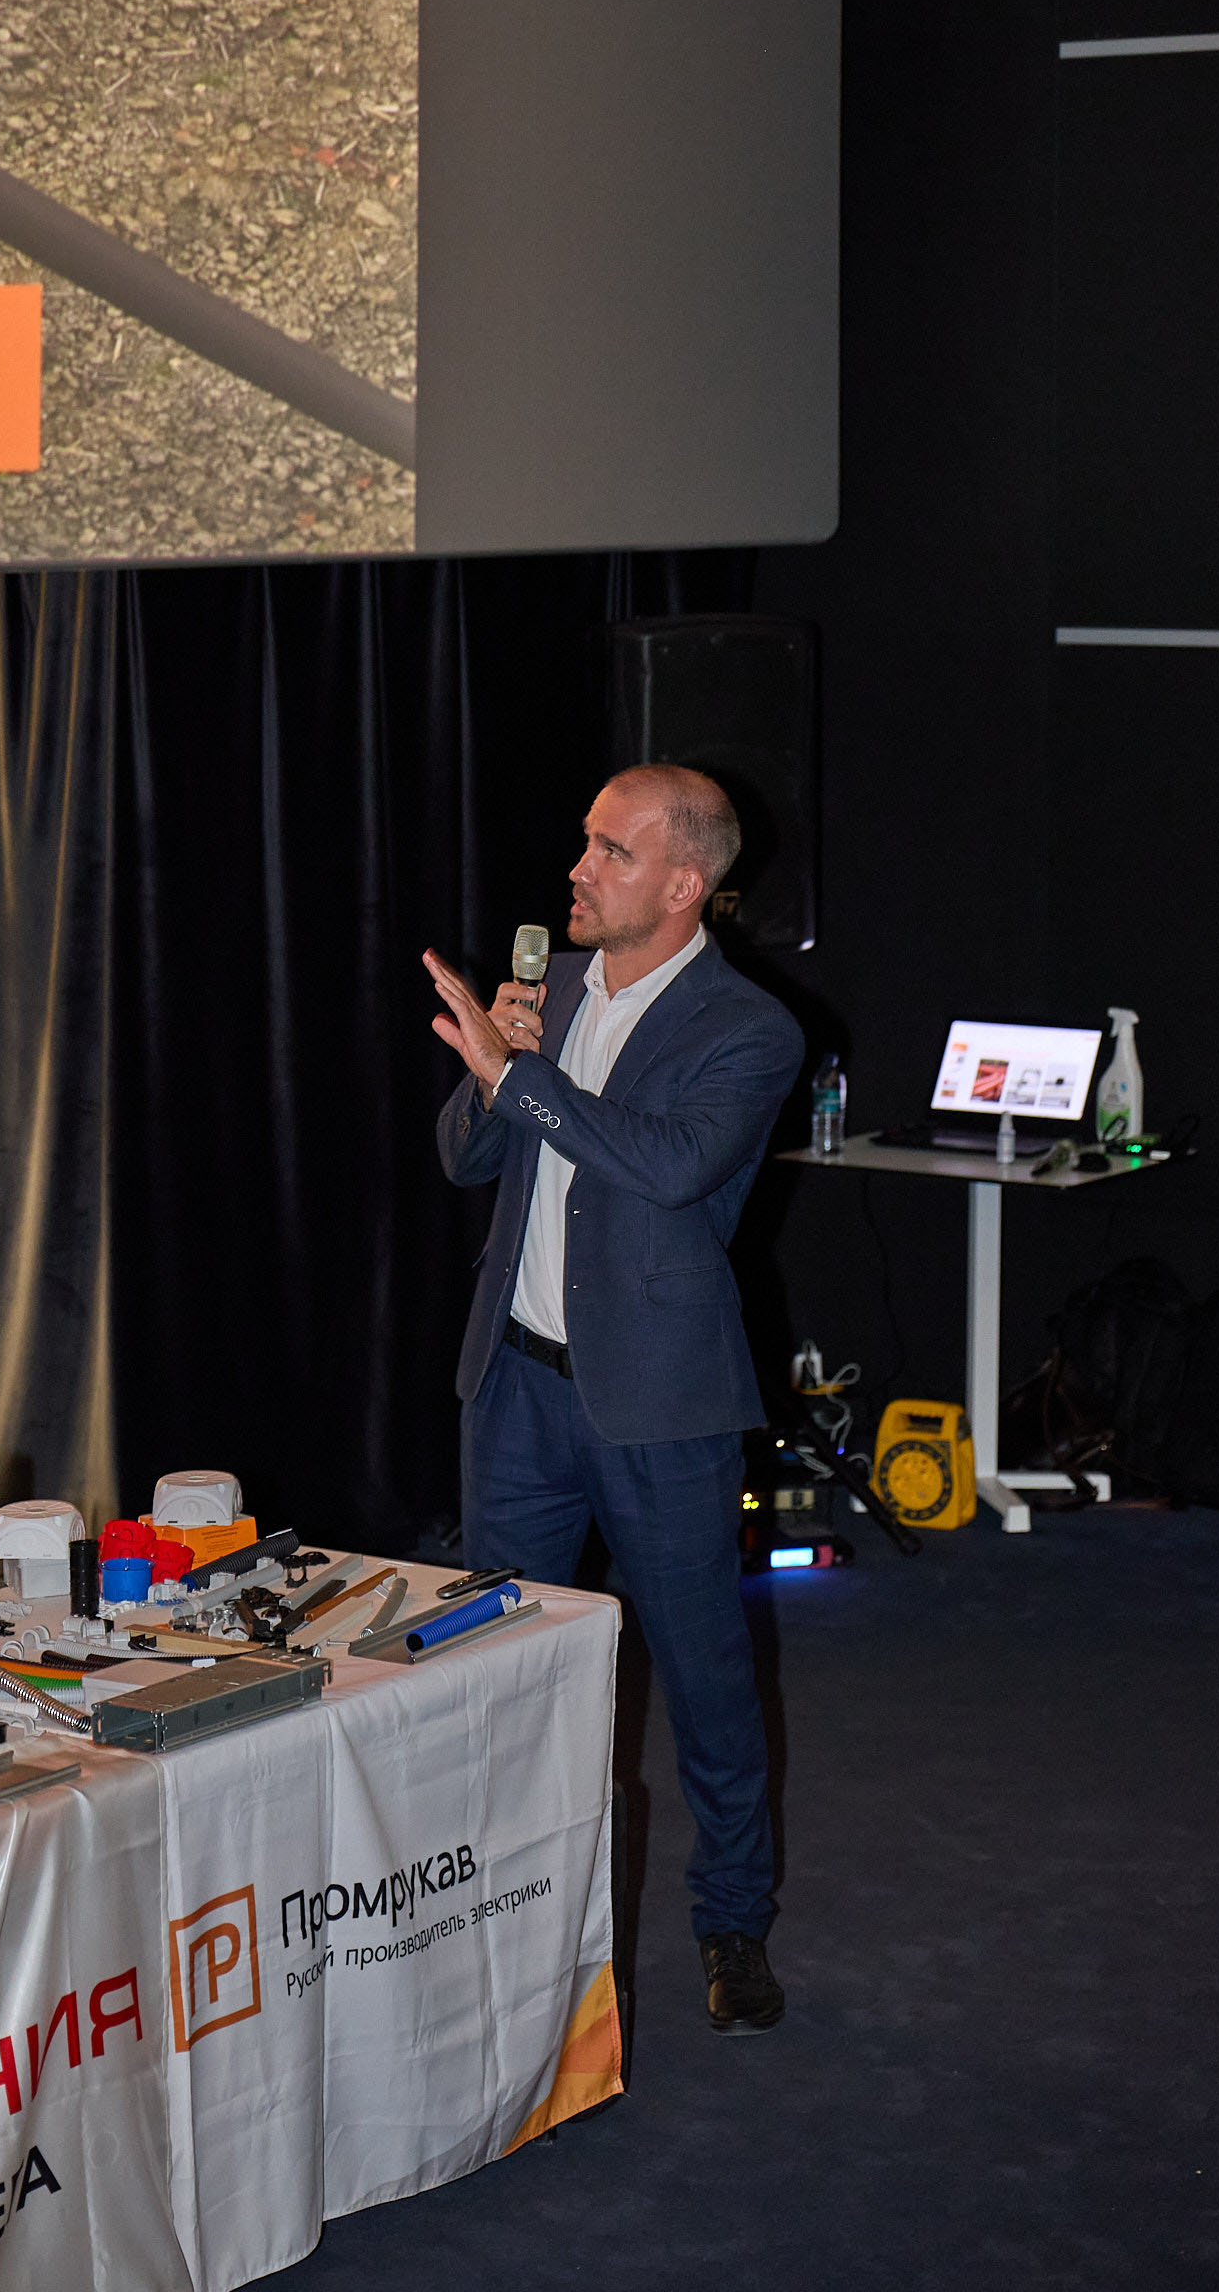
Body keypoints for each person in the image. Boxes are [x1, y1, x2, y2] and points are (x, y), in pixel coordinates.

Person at [423, 764, 804, 2034]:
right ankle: (516, 1924)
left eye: (610, 850)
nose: (578, 868)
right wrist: (494, 1068)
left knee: (703, 1680)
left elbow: (672, 1164)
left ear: (683, 884)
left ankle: (732, 1922)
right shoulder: (558, 990)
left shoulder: (750, 1028)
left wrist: (520, 1074)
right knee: (505, 1676)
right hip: (517, 1393)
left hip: (661, 1408)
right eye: (584, 841)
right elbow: (467, 1159)